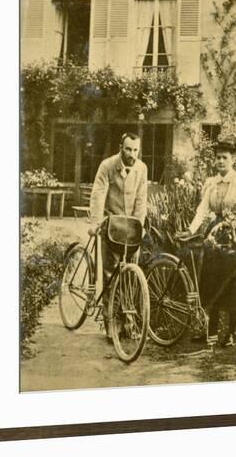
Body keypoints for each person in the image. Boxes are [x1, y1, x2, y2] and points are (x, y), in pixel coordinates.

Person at [179, 137, 236, 346]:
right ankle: (211, 332)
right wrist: (190, 230)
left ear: (233, 159)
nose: (220, 161)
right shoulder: (211, 183)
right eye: (217, 158)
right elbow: (202, 210)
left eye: (224, 158)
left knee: (234, 283)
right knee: (211, 282)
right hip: (216, 236)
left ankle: (231, 334)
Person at [88, 132, 148, 339]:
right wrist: (95, 223)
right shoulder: (107, 165)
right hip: (111, 224)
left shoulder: (141, 168)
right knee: (110, 275)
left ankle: (130, 324)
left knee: (131, 274)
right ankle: (111, 323)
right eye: (128, 149)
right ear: (120, 147)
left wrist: (139, 226)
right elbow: (98, 194)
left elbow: (141, 200)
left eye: (135, 150)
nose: (132, 154)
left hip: (130, 228)